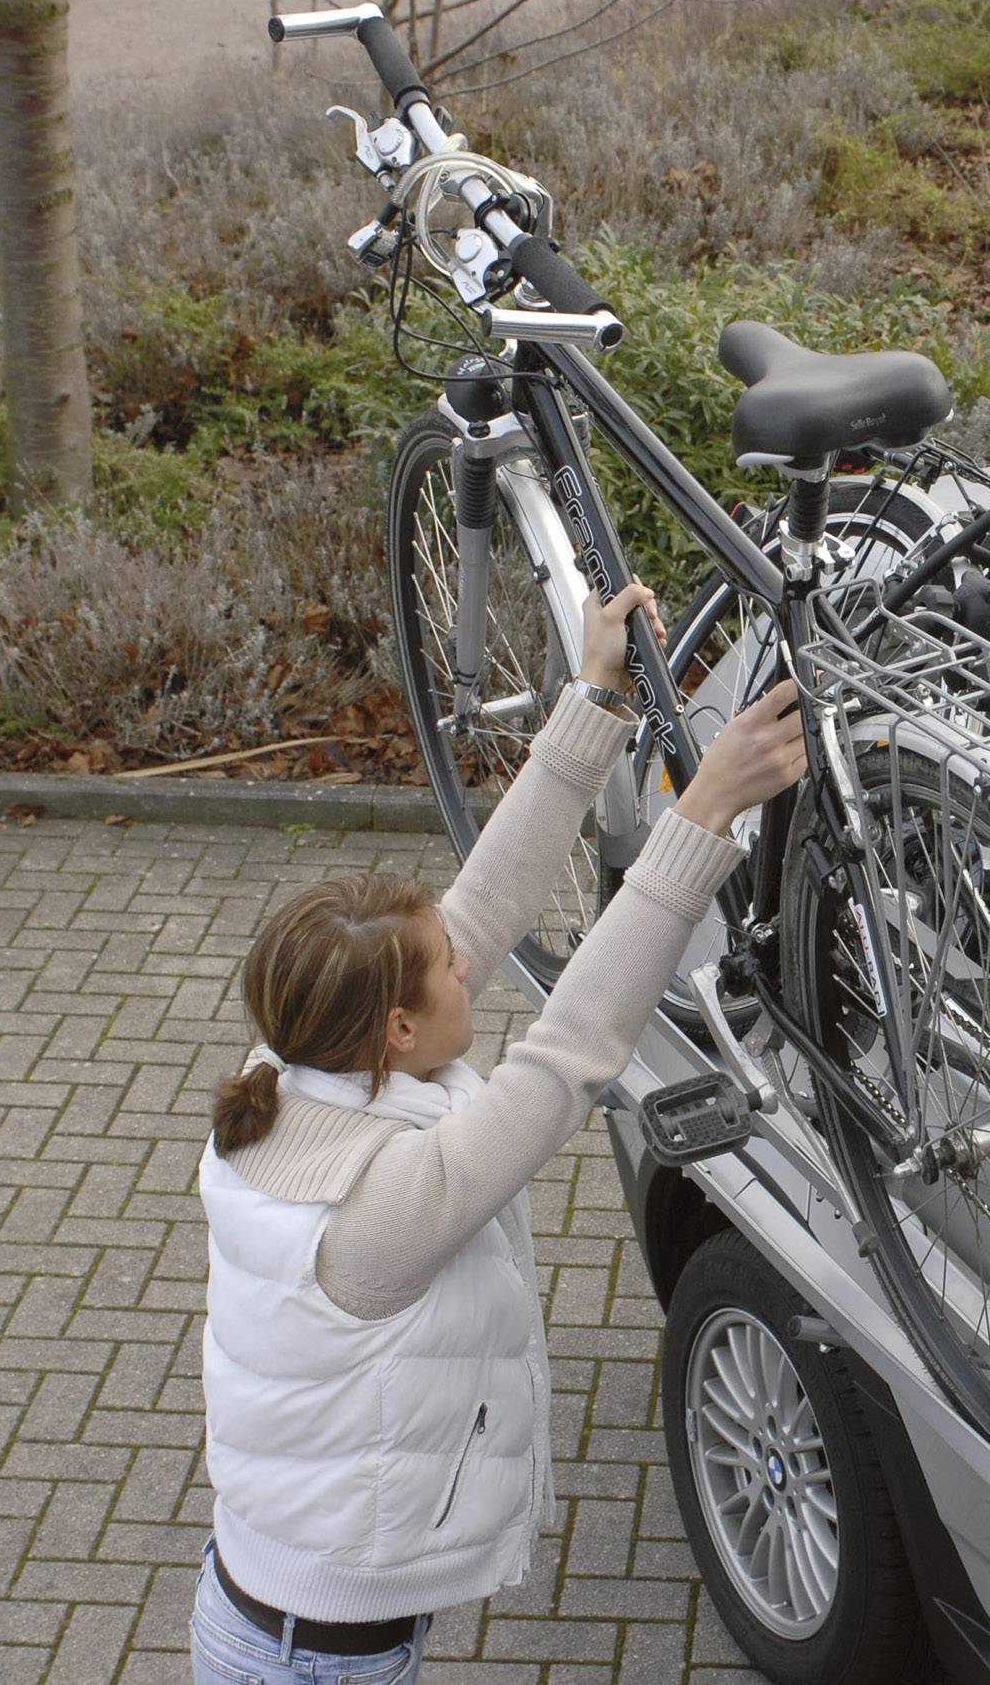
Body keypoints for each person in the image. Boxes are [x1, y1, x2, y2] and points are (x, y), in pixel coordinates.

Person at [188, 580, 805, 1683]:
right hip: (318, 1660)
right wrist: (701, 815)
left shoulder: (292, 1063)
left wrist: (591, 695)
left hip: (289, 1615)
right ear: (399, 1028)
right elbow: (568, 1055)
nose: (469, 960)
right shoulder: (373, 1214)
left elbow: (477, 906)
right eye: (448, 973)